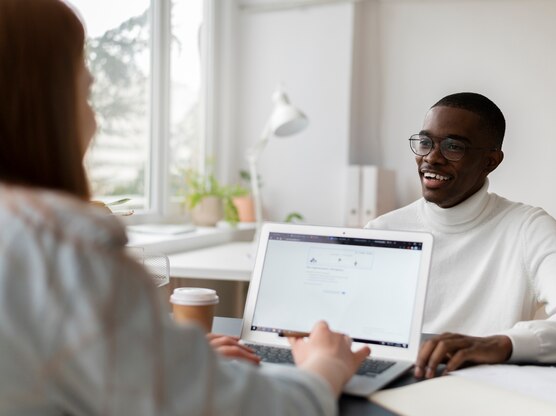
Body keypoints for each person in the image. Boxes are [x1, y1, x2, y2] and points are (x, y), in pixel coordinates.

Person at [0, 0, 369, 414]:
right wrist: (325, 365)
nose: (94, 120)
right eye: (87, 94)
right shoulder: (66, 246)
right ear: (41, 105)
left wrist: (166, 359)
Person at [366, 92, 556, 378]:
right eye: (425, 143)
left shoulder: (527, 227)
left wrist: (501, 343)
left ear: (491, 161)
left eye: (454, 147)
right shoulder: (382, 231)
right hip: (395, 382)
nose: (432, 158)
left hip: (486, 390)